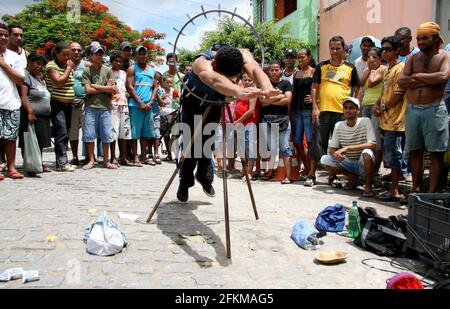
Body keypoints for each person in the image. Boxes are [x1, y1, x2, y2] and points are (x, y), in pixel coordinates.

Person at [176, 44, 279, 202]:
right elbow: (215, 80)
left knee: (207, 142)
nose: (230, 79)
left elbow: (255, 70)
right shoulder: (202, 63)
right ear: (215, 64)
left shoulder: (242, 55)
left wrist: (267, 88)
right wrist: (240, 91)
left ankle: (204, 176)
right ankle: (185, 181)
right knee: (191, 144)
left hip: (215, 100)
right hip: (193, 101)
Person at [398, 22, 450, 194]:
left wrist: (417, 76)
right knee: (415, 151)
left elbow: (442, 77)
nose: (420, 42)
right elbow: (403, 81)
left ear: (435, 38)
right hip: (413, 109)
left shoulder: (444, 56)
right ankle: (416, 188)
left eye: (424, 38)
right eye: (418, 38)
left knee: (436, 153)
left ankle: (432, 192)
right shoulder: (414, 58)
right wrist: (429, 78)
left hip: (434, 109)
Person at [308, 36, 361, 187]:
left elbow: (357, 89)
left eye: (338, 48)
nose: (335, 51)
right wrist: (315, 107)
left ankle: (333, 176)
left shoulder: (350, 67)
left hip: (341, 113)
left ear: (344, 50)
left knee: (337, 147)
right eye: (332, 48)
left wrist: (353, 108)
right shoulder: (321, 66)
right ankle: (311, 175)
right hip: (323, 111)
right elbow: (314, 87)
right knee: (317, 143)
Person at [374, 36, 407, 203]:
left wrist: (384, 107)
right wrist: (378, 104)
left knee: (395, 156)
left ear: (397, 51)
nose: (384, 52)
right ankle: (392, 188)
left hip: (397, 121)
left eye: (388, 49)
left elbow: (399, 94)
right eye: (383, 49)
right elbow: (383, 92)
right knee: (389, 155)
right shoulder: (387, 69)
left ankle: (394, 190)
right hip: (386, 120)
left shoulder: (400, 68)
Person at [320, 98, 376, 197]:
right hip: (348, 162)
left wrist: (347, 148)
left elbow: (372, 144)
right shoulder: (338, 125)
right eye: (345, 108)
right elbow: (332, 148)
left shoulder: (365, 121)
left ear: (358, 111)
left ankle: (368, 186)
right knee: (324, 159)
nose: (348, 110)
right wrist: (336, 154)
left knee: (367, 152)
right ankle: (352, 177)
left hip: (362, 162)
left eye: (351, 108)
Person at [82, 45, 119, 170]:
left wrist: (95, 86)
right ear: (91, 55)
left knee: (106, 135)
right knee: (89, 135)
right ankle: (91, 160)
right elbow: (87, 90)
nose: (99, 56)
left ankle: (106, 161)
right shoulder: (87, 70)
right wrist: (105, 88)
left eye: (101, 53)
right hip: (91, 106)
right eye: (96, 54)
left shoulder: (108, 70)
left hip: (105, 107)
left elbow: (113, 90)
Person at [44, 41, 76, 172]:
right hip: (57, 104)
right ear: (56, 54)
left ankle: (64, 160)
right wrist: (69, 69)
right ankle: (61, 163)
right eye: (64, 55)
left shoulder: (65, 65)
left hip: (68, 105)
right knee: (61, 132)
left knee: (65, 132)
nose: (67, 58)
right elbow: (58, 82)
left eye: (68, 55)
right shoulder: (51, 66)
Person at [18, 53, 52, 175]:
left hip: (43, 116)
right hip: (32, 114)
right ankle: (30, 165)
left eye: (41, 64)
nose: (39, 66)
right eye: (37, 63)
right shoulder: (27, 77)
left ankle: (38, 163)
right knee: (29, 140)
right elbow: (24, 96)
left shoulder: (40, 78)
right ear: (29, 63)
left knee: (40, 142)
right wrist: (30, 111)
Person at [0, 22, 25, 180]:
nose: (3, 37)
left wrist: (3, 65)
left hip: (11, 102)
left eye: (5, 35)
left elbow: (21, 79)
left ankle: (11, 168)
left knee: (10, 138)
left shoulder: (14, 57)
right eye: (0, 34)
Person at [126, 45, 158, 166]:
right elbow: (129, 86)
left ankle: (144, 157)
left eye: (144, 53)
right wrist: (140, 102)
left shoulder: (152, 70)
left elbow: (155, 87)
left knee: (146, 133)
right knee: (135, 133)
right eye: (140, 53)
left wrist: (150, 102)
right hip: (136, 106)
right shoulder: (132, 69)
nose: (142, 55)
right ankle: (135, 157)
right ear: (136, 55)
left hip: (148, 106)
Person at [357, 47, 386, 173]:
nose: (371, 59)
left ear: (380, 58)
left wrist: (372, 70)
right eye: (369, 57)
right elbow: (361, 83)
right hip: (366, 105)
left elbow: (373, 82)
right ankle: (368, 165)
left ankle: (376, 168)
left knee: (376, 138)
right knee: (366, 137)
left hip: (376, 106)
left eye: (374, 57)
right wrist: (369, 69)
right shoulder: (367, 70)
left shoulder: (383, 69)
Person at [292, 48, 316, 179]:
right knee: (297, 142)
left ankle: (311, 171)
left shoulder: (314, 71)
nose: (300, 59)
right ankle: (307, 168)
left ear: (309, 57)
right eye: (299, 57)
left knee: (311, 142)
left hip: (308, 110)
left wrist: (315, 100)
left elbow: (320, 88)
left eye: (303, 57)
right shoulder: (296, 73)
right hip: (297, 110)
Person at [68, 41, 91, 166]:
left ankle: (89, 157)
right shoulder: (65, 65)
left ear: (82, 52)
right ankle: (75, 156)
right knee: (73, 132)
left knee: (88, 131)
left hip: (85, 102)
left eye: (78, 50)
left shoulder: (87, 65)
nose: (76, 52)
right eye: (73, 50)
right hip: (70, 103)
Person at [234, 72, 259, 179]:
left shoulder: (253, 91)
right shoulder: (240, 91)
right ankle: (244, 170)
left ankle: (249, 172)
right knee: (242, 148)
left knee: (250, 148)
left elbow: (251, 110)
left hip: (249, 123)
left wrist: (237, 121)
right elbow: (236, 107)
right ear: (242, 80)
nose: (247, 82)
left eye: (250, 80)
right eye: (245, 80)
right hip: (239, 123)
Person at [109, 50, 132, 166]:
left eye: (120, 61)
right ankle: (112, 157)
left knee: (124, 132)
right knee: (113, 131)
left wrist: (127, 92)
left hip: (124, 104)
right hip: (112, 105)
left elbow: (126, 86)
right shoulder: (108, 72)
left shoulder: (124, 73)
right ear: (111, 61)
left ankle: (123, 157)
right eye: (116, 61)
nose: (118, 63)